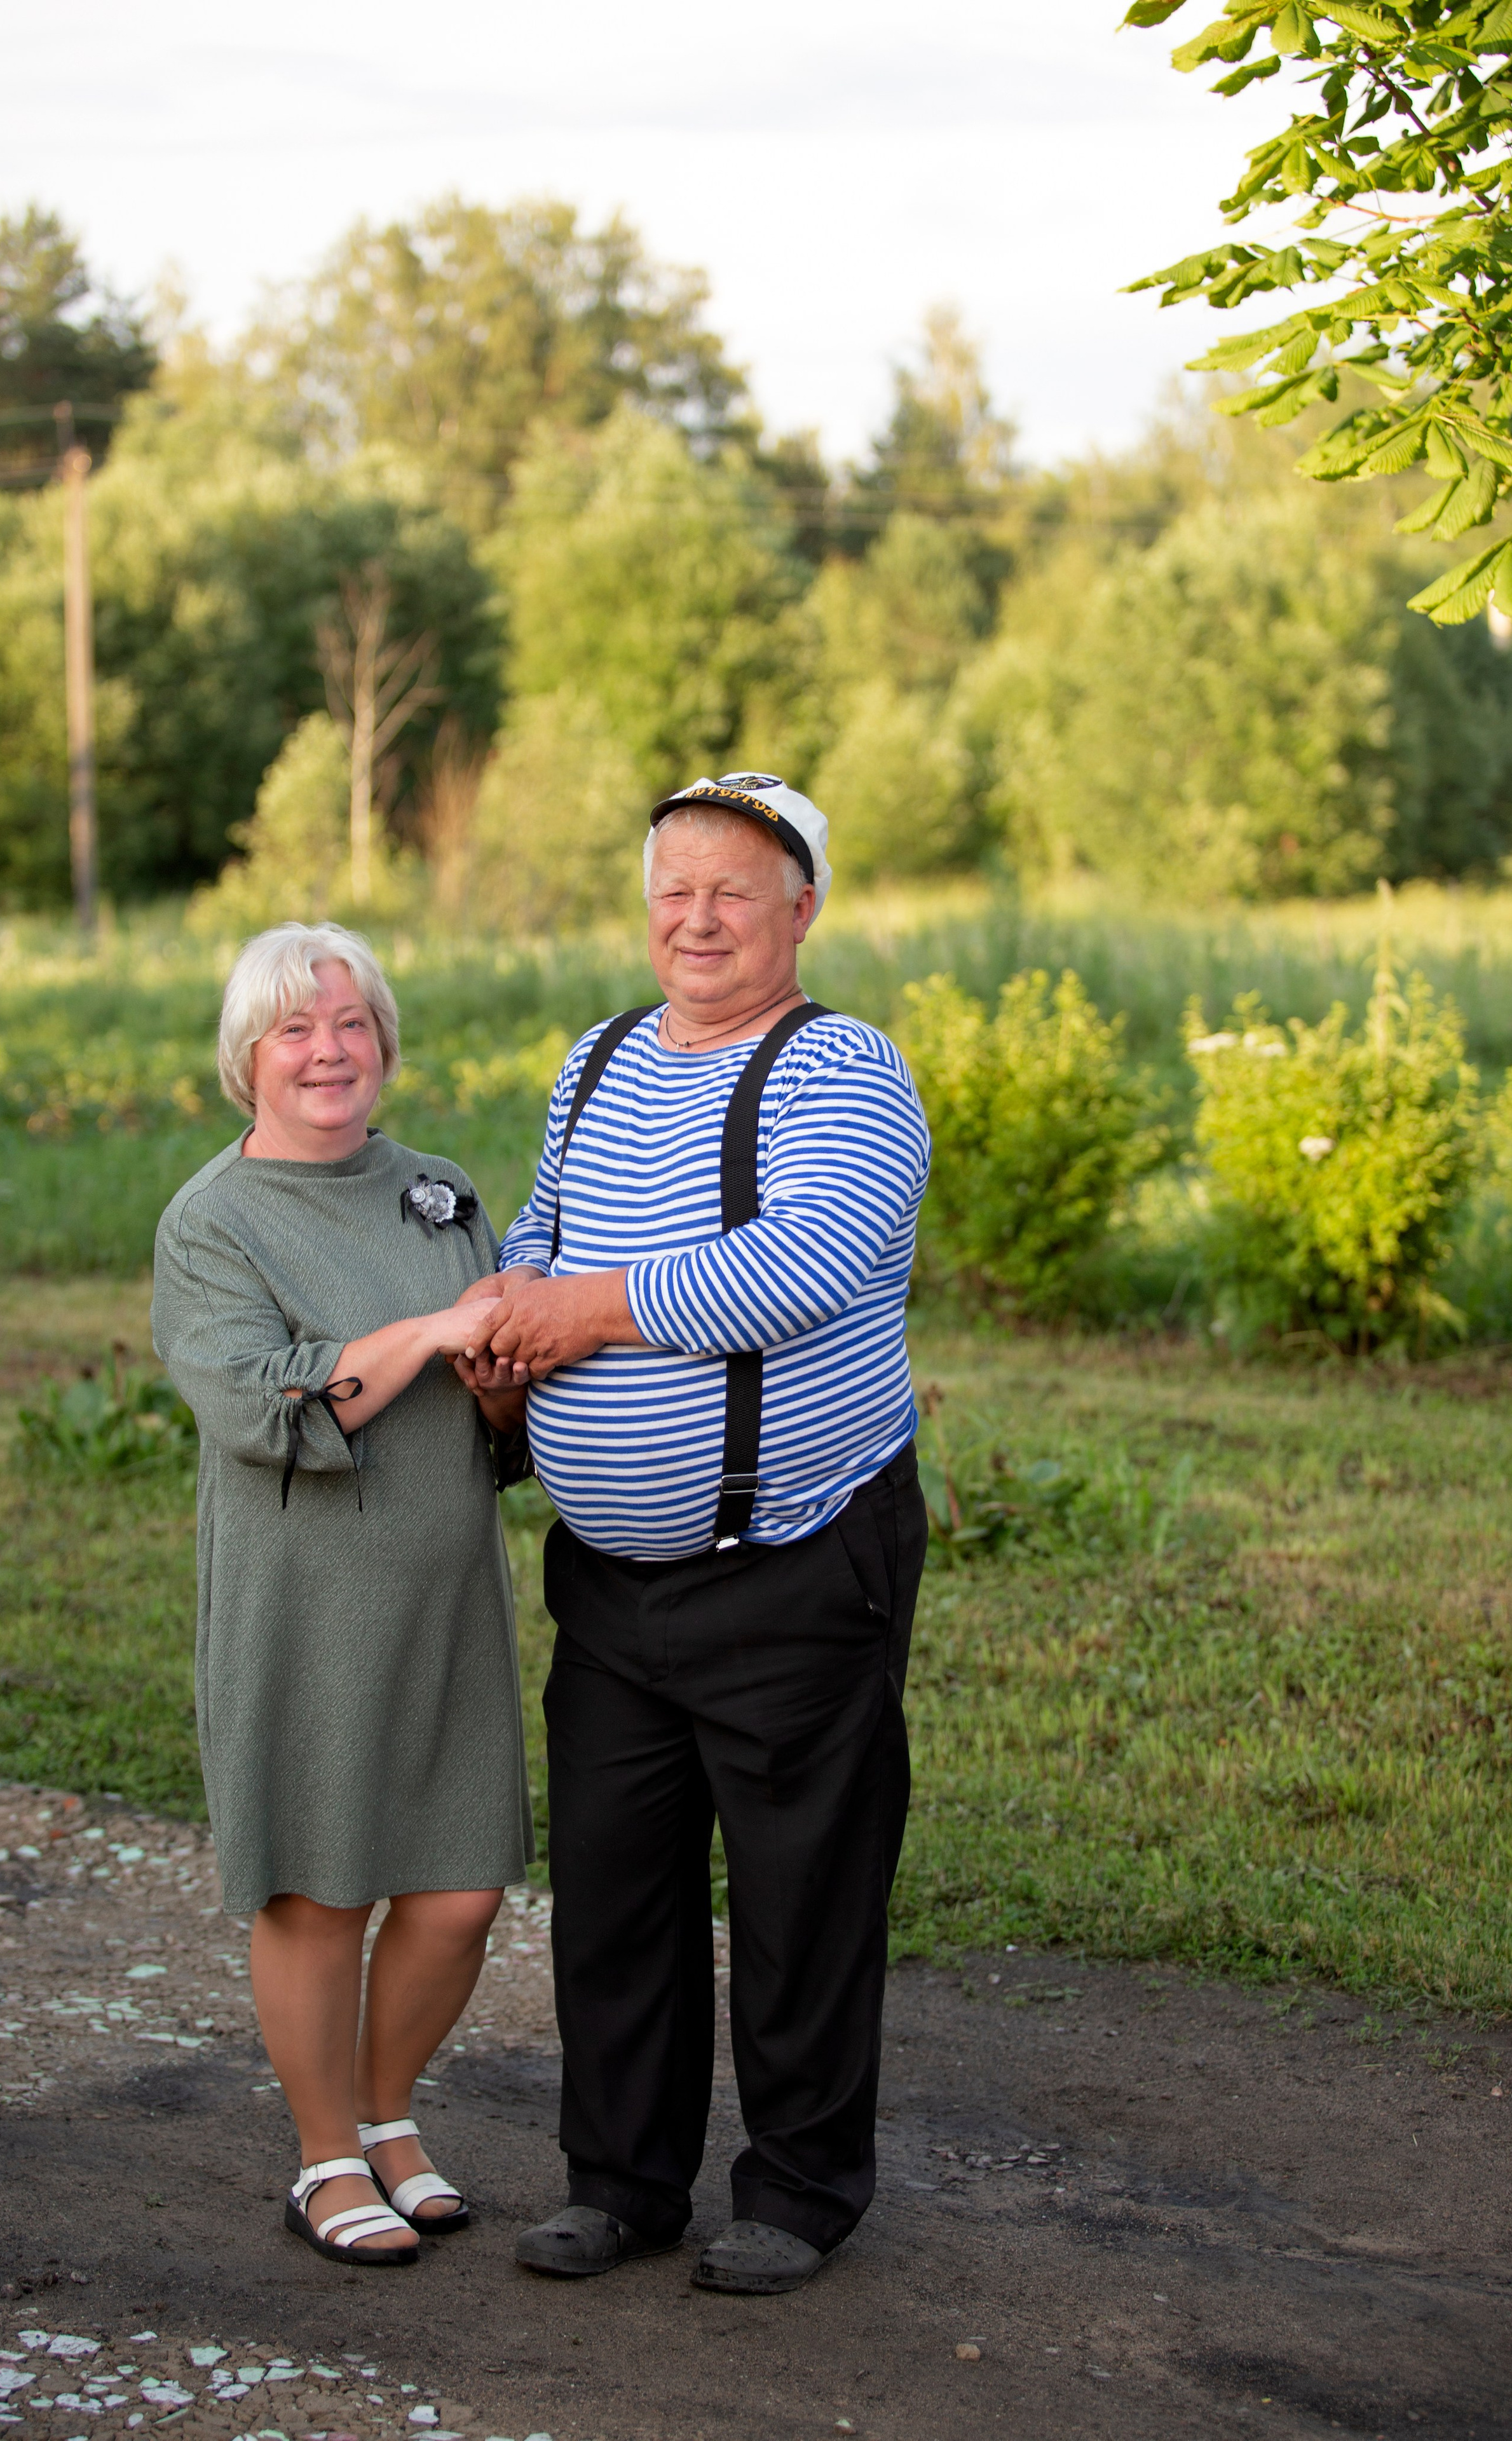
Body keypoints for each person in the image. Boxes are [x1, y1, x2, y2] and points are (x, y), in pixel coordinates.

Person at [454, 774, 931, 2296]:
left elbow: (795, 1266)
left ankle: (796, 2192)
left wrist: (569, 1314)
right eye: (673, 888)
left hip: (792, 1562)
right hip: (608, 1581)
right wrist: (507, 1325)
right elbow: (541, 1225)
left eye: (734, 889)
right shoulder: (595, 1057)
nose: (698, 918)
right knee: (615, 1890)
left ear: (803, 907)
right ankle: (620, 2183)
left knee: (800, 1894)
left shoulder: (841, 1068)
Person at [152, 921, 533, 2269]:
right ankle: (324, 2152)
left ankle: (388, 2115)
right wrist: (436, 1331)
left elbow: (501, 1420)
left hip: (444, 1592)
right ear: (246, 1057)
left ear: (383, 1041)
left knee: (455, 1891)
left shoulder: (439, 1189)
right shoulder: (212, 1222)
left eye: (350, 1023)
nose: (327, 1051)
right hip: (303, 1599)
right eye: (294, 1030)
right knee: (318, 1888)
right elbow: (266, 1410)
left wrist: (500, 1391)